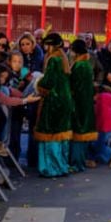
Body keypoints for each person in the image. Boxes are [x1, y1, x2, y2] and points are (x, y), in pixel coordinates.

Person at [33, 35, 74, 176]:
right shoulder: (63, 58)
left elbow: (48, 82)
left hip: (53, 101)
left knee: (50, 134)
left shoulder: (53, 59)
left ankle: (50, 168)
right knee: (61, 136)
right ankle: (62, 166)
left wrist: (37, 83)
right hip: (64, 100)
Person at [69, 36, 99, 168]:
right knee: (82, 134)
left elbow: (75, 86)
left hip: (79, 104)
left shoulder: (79, 66)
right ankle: (80, 161)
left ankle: (77, 162)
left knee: (78, 134)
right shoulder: (86, 65)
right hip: (86, 103)